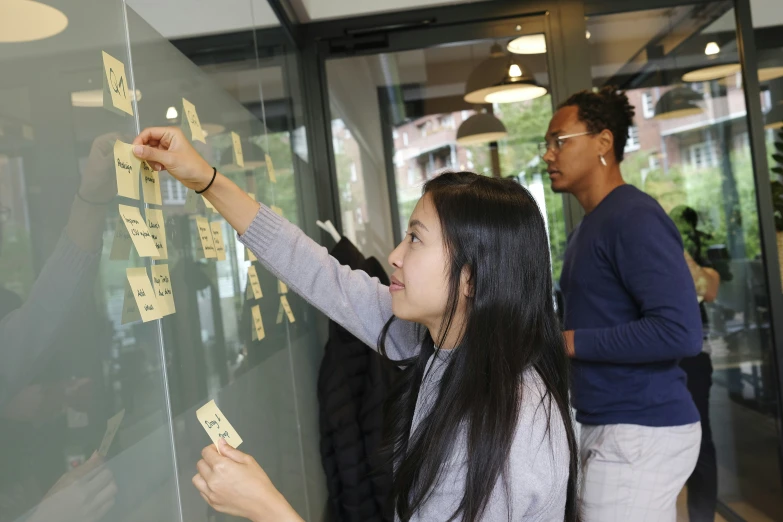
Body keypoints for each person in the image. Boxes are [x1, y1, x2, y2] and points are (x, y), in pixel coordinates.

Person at [132, 126, 579, 522]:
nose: (395, 256)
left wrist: (265, 507)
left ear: (471, 279)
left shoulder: (509, 424)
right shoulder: (437, 343)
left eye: (416, 239)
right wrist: (205, 180)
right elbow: (316, 271)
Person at [541, 87, 703, 521]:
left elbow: (680, 331)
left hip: (641, 427)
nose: (548, 155)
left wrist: (572, 342)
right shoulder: (589, 228)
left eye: (559, 141)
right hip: (607, 423)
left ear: (603, 142)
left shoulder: (634, 215)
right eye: (547, 144)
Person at [671, 206, 723, 522]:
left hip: (694, 359)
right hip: (660, 359)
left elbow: (710, 288)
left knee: (701, 444)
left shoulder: (694, 259)